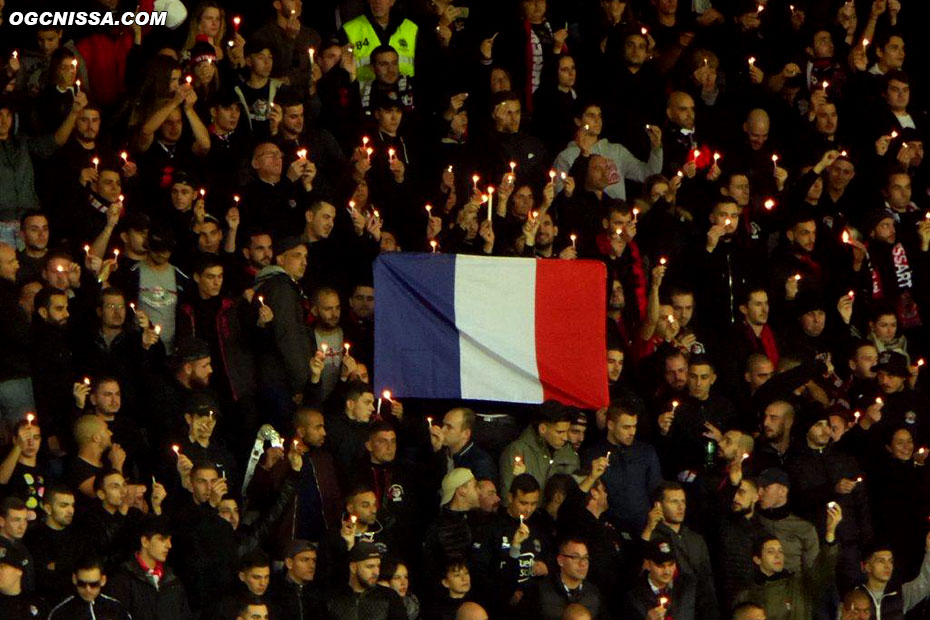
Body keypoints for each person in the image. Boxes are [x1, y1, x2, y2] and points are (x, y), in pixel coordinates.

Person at [734, 504, 841, 620]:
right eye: (770, 551)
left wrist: (830, 533)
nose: (777, 555)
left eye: (780, 551)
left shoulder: (799, 586)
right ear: (757, 559)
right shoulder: (746, 595)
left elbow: (823, 570)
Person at [105, 516, 193, 620]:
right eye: (162, 539)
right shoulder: (123, 579)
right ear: (145, 542)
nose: (169, 545)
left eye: (170, 539)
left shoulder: (173, 580)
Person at [325, 540, 407, 620]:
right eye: (370, 566)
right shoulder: (332, 598)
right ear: (353, 567)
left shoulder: (390, 597)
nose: (376, 572)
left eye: (378, 566)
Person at [47, 555, 132, 620]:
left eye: (93, 584)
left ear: (103, 580)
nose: (88, 589)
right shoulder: (60, 613)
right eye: (82, 584)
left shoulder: (116, 609)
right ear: (74, 579)